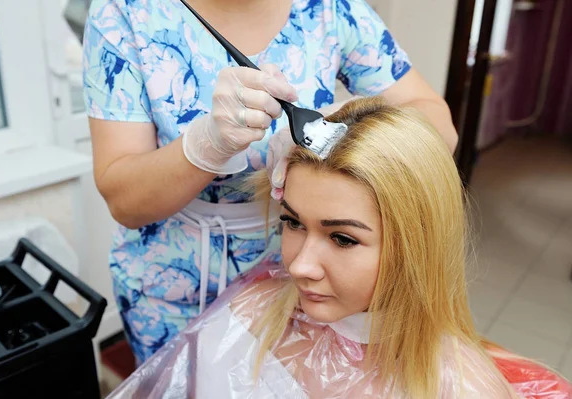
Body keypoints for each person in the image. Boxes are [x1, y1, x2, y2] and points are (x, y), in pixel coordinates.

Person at [105, 97, 572, 399]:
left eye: (343, 238)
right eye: (292, 223)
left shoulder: (463, 390)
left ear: (418, 244)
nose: (300, 265)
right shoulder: (247, 318)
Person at [82, 0, 458, 364]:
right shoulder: (125, 12)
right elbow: (124, 202)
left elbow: (439, 128)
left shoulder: (331, 9)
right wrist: (204, 146)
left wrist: (343, 124)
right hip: (169, 285)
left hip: (296, 281)